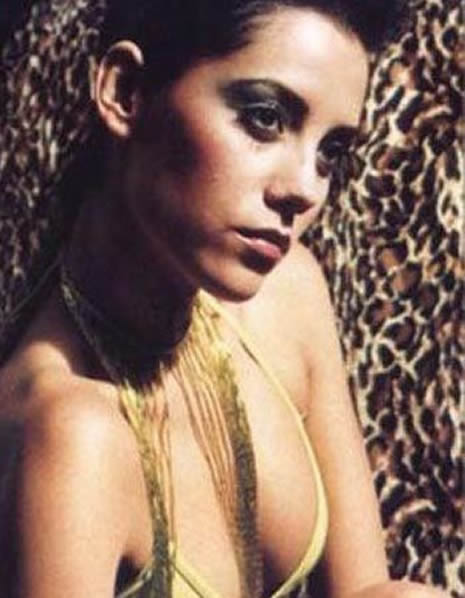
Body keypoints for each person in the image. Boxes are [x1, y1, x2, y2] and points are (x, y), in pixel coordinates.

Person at [0, 1, 450, 597]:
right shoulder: (71, 438)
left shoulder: (288, 296)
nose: (304, 189)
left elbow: (365, 589)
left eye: (330, 152)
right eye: (265, 119)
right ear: (125, 91)